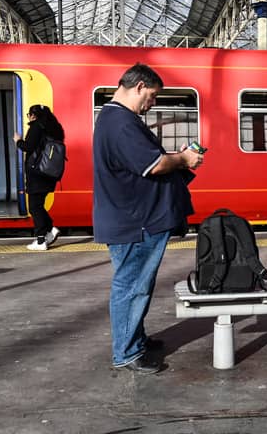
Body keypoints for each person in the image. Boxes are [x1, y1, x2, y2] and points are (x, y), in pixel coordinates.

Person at [93, 63, 204, 374]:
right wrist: (184, 158)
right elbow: (152, 166)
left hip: (135, 219)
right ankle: (126, 352)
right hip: (136, 222)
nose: (152, 103)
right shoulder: (121, 123)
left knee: (138, 284)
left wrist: (179, 160)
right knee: (132, 287)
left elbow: (145, 162)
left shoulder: (116, 120)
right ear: (139, 86)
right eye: (153, 96)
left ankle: (135, 339)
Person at [13, 104, 65, 251]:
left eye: (29, 115)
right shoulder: (54, 128)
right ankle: (50, 230)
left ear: (33, 115)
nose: (28, 118)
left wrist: (18, 140)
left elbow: (28, 147)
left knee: (34, 207)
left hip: (37, 174)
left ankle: (41, 239)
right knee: (38, 205)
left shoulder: (37, 127)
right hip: (48, 173)